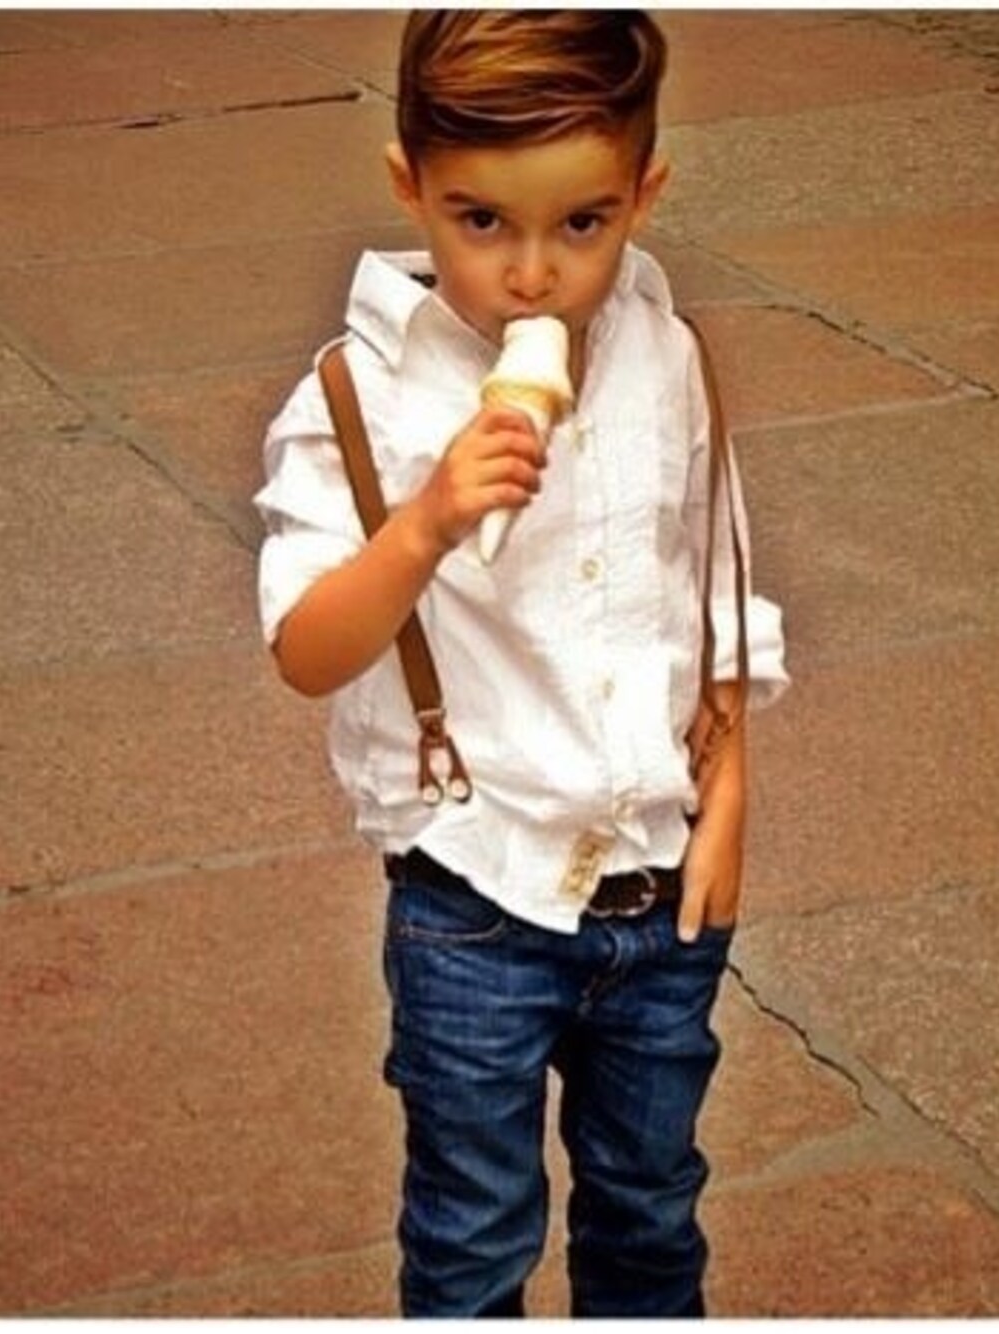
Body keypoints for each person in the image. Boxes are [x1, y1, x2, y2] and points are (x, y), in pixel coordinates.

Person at [255, 9, 788, 1318]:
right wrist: (425, 523)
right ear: (410, 186)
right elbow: (307, 648)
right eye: (482, 221)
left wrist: (728, 792)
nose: (533, 274)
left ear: (644, 194)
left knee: (651, 1217)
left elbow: (711, 579)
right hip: (472, 899)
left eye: (583, 224)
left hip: (661, 898)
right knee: (473, 1239)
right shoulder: (362, 396)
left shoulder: (665, 356)